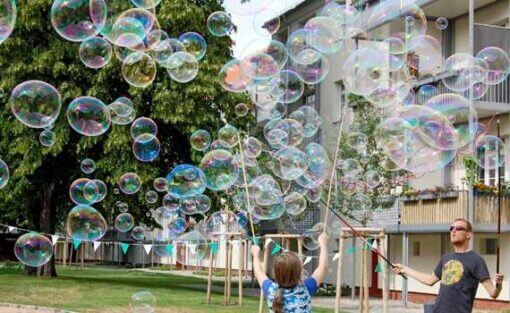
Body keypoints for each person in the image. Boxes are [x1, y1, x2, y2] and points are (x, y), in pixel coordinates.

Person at [392, 218, 504, 313]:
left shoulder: (476, 260)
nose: (453, 231)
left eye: (459, 228)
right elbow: (430, 280)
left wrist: (499, 284)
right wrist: (405, 269)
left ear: (469, 234)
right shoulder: (446, 257)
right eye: (451, 228)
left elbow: (493, 293)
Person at [251, 233, 329, 313]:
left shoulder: (271, 290)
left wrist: (256, 254)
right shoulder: (305, 288)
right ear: (299, 273)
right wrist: (323, 244)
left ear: (276, 274)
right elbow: (323, 268)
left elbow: (258, 272)